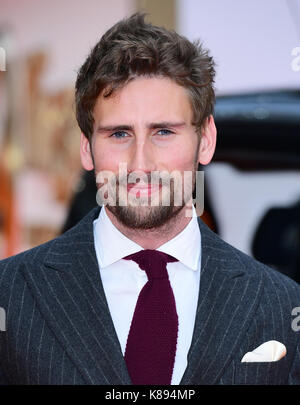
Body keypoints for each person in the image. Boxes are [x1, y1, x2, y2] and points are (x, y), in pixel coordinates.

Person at [0, 13, 299, 386]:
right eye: (120, 134)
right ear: (86, 149)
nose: (140, 163)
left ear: (205, 140)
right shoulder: (10, 292)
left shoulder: (281, 304)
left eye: (163, 132)